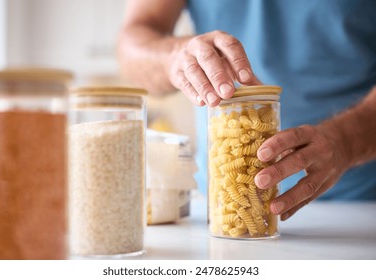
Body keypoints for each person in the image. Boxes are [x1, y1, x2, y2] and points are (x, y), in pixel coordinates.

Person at [117, 0, 376, 221]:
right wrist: (173, 56)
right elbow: (132, 41)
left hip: (360, 204)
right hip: (226, 207)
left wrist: (344, 142)